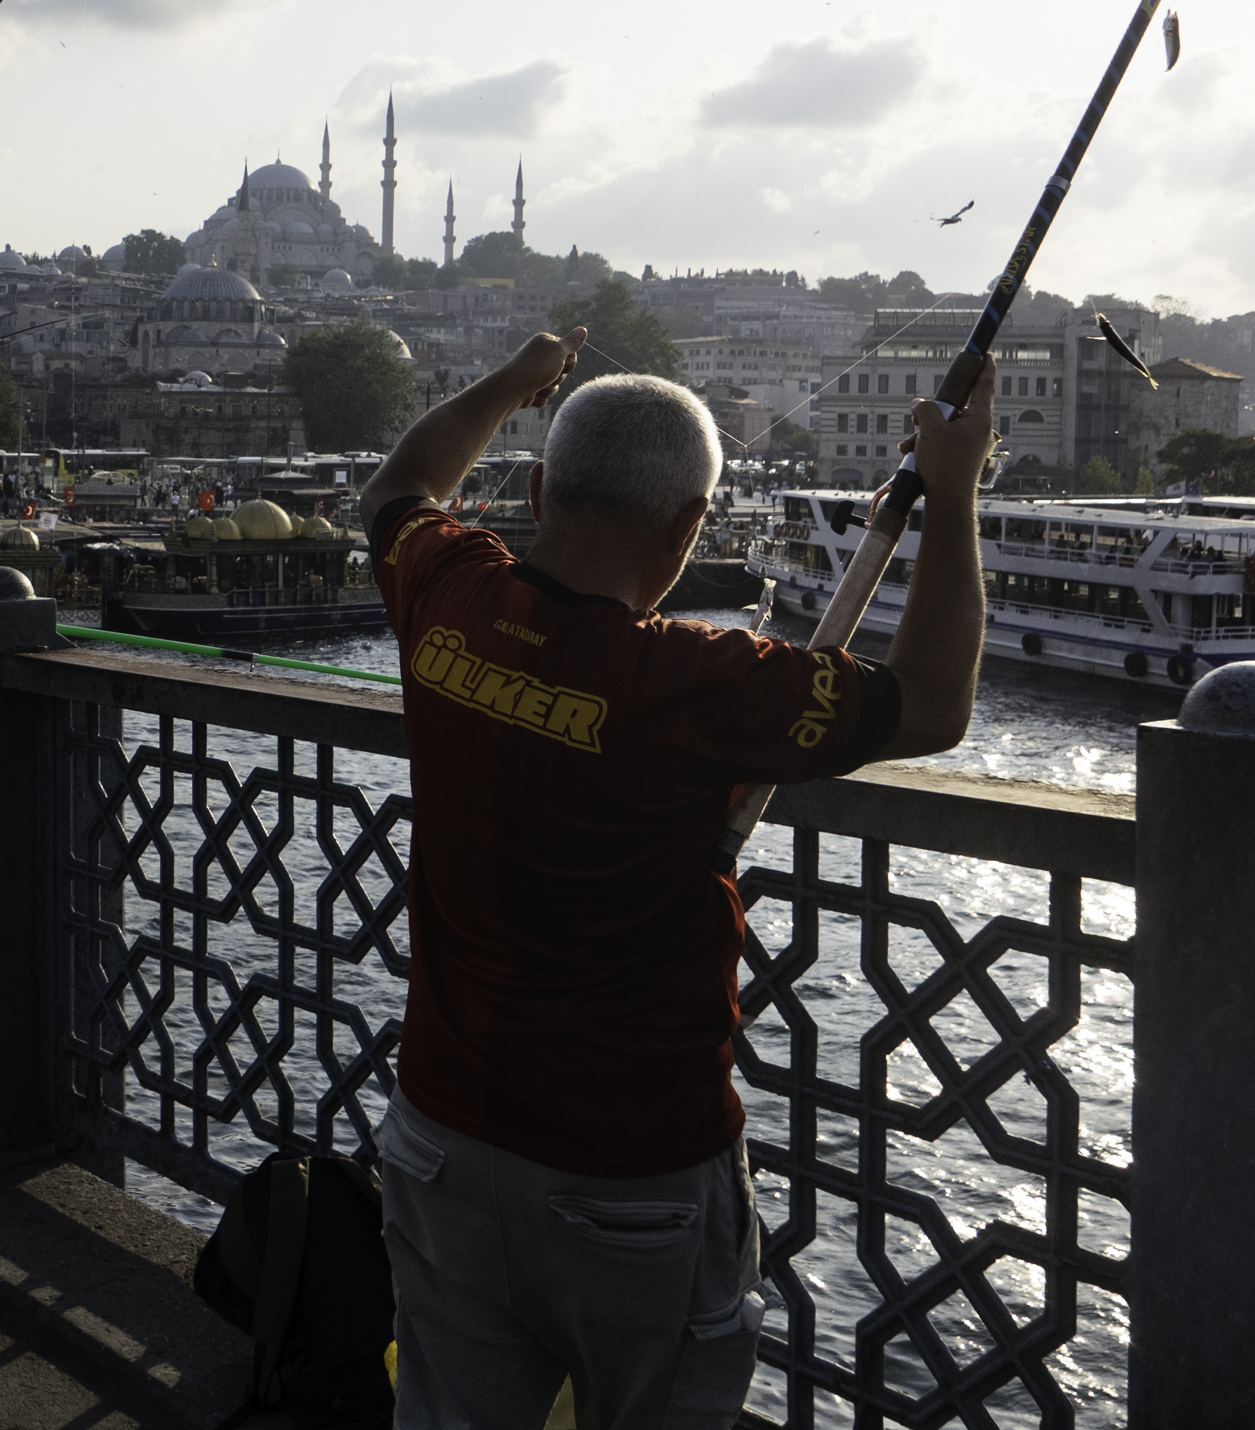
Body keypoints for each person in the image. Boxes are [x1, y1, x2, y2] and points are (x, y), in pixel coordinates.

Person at [359, 328, 994, 1429]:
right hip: (627, 1172)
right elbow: (932, 702)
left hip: (441, 1136)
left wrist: (516, 382)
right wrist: (954, 490)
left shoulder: (449, 592)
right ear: (691, 524)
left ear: (546, 484)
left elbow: (403, 484)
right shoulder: (699, 682)